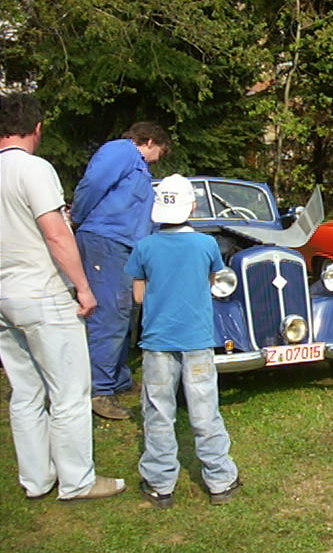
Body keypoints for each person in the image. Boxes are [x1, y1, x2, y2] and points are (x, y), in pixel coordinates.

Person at [0, 92, 126, 501]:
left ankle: (36, 479)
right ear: (37, 128)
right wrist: (83, 287)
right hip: (43, 292)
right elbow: (56, 233)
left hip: (4, 295)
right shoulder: (34, 170)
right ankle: (77, 480)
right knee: (70, 391)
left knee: (26, 392)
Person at [124, 174, 241, 508]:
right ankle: (220, 480)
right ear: (192, 207)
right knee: (205, 410)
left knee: (159, 411)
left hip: (158, 340)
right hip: (197, 339)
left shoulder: (144, 247)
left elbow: (138, 296)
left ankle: (160, 484)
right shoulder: (207, 245)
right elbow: (211, 282)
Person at [71, 122, 170, 420]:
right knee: (109, 314)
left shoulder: (137, 166)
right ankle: (99, 390)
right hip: (105, 241)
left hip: (123, 246)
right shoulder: (121, 151)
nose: (157, 160)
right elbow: (93, 184)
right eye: (159, 153)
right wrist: (78, 217)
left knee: (124, 312)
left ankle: (118, 378)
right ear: (149, 141)